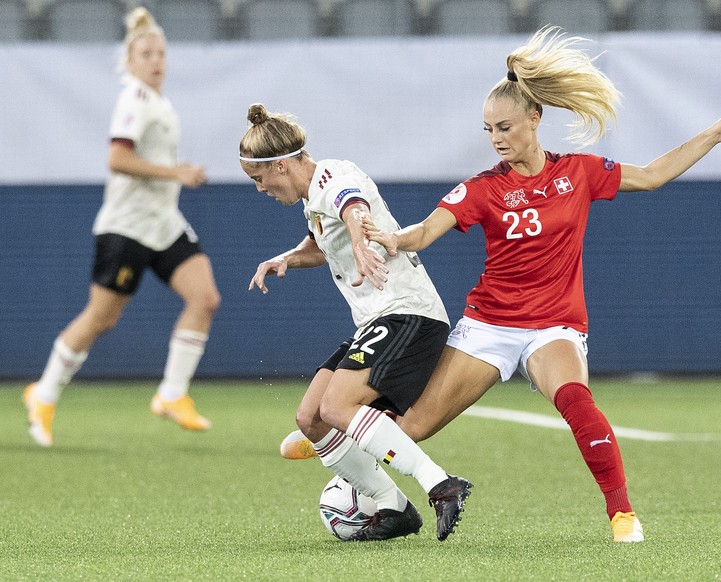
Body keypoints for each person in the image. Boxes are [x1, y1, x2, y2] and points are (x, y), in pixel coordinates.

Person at [284, 26, 721, 543]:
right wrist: (395, 239)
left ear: (535, 119)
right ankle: (338, 442)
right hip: (488, 325)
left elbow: (652, 175)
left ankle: (622, 515)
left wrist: (714, 134)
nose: (497, 139)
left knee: (576, 399)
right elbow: (423, 232)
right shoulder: (484, 188)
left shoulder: (578, 172)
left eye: (505, 127)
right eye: (489, 130)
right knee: (412, 428)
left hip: (553, 324)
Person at [240, 103, 472, 542]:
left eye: (259, 179)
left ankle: (440, 484)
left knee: (336, 408)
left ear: (282, 165)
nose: (259, 189)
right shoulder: (314, 199)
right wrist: (285, 258)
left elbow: (352, 206)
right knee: (311, 418)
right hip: (378, 319)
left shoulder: (332, 177)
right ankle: (392, 508)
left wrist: (362, 237)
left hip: (408, 312)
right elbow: (324, 242)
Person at [23, 7, 220, 446]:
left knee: (204, 298)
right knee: (101, 318)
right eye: (146, 53)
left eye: (161, 53)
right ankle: (44, 392)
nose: (156, 60)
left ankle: (171, 394)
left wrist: (176, 175)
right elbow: (117, 159)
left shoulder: (159, 102)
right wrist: (177, 174)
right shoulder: (133, 97)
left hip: (163, 222)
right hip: (127, 226)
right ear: (130, 62)